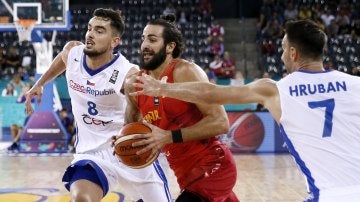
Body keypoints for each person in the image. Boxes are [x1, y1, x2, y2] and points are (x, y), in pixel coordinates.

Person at [130, 19, 360, 201]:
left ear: (292, 53)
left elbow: (211, 94)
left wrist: (162, 87)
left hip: (325, 194)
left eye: (282, 49)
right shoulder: (355, 85)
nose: (280, 56)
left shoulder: (275, 89)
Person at [24, 8, 172, 202]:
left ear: (114, 42)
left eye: (99, 30)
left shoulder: (126, 73)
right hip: (92, 154)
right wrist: (40, 84)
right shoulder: (73, 53)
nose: (90, 34)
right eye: (89, 28)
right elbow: (62, 59)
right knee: (81, 199)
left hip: (128, 148)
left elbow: (145, 111)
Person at [119, 14, 239, 202]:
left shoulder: (185, 72)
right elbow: (132, 127)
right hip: (185, 176)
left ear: (170, 46)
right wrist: (124, 140)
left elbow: (220, 122)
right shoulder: (137, 83)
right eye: (143, 39)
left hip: (213, 165)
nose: (144, 45)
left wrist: (168, 136)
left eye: (152, 39)